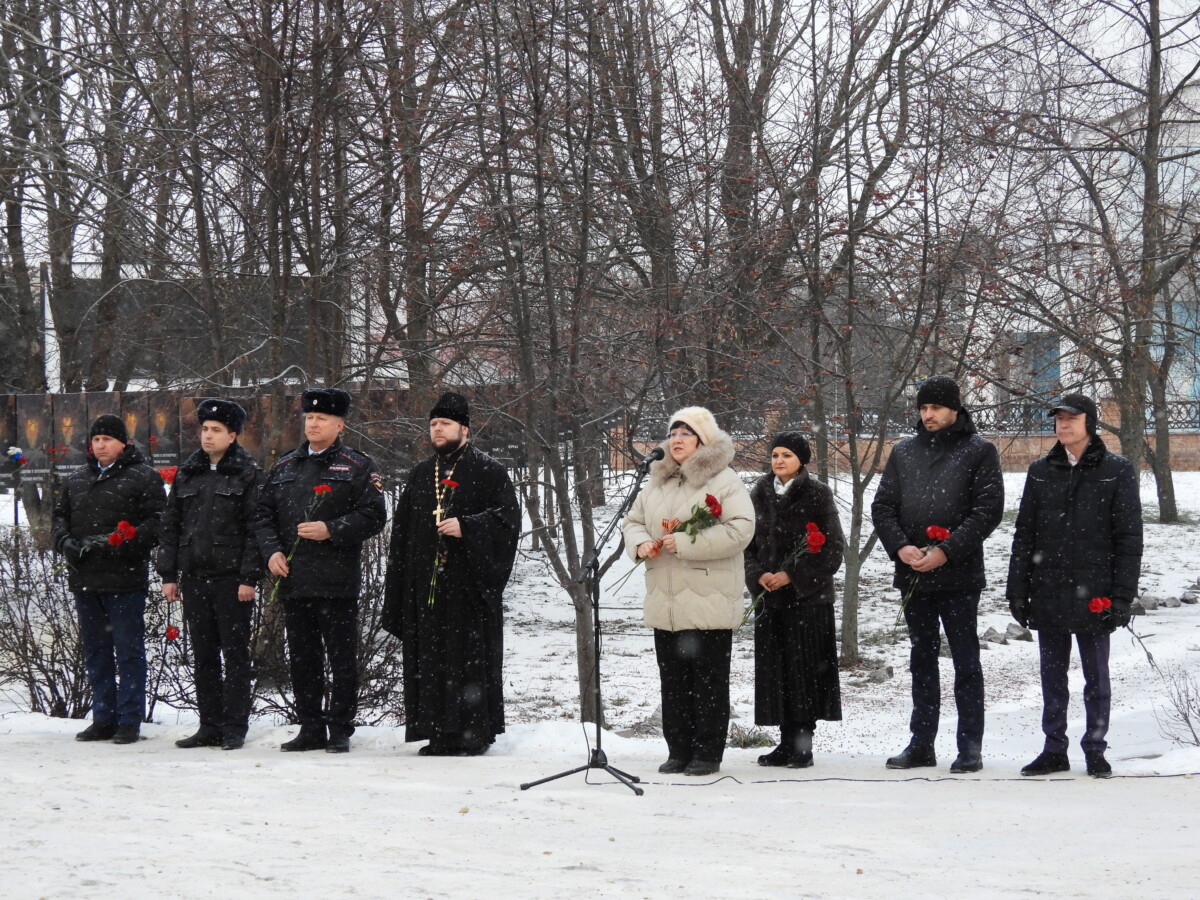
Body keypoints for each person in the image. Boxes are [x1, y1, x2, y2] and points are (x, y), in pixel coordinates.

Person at [871, 376, 1003, 773]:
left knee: (966, 661)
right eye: (923, 408)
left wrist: (946, 551)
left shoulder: (979, 451)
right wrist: (900, 547)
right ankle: (921, 742)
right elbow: (883, 506)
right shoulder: (905, 451)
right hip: (913, 573)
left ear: (954, 409)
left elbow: (987, 511)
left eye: (935, 408)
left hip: (959, 574)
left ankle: (969, 746)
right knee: (921, 660)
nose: (927, 415)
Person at [1007, 394, 1143, 778]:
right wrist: (1018, 589)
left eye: (1071, 418)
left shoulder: (1116, 470)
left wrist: (1121, 596)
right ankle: (1054, 748)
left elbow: (1128, 538)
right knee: (1052, 676)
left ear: (1089, 422)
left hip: (1095, 589)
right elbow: (1025, 535)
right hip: (1049, 588)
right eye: (1059, 419)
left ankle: (1095, 748)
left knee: (1096, 676)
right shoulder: (1041, 471)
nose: (1063, 425)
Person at [382, 392, 520, 756]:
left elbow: (507, 523)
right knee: (430, 660)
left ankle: (473, 733)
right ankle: (439, 732)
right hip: (426, 591)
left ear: (465, 429)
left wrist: (469, 528)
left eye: (445, 424)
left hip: (468, 590)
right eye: (432, 424)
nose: (437, 430)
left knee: (467, 659)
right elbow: (401, 535)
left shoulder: (489, 471)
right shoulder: (419, 474)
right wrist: (398, 587)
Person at [621, 407, 754, 777]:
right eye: (673, 433)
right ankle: (678, 749)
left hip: (708, 597)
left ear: (703, 441)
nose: (677, 440)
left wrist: (685, 542)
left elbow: (741, 529)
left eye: (686, 433)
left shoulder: (723, 481)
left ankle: (707, 752)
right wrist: (641, 543)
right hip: (666, 598)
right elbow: (632, 521)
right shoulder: (656, 482)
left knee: (708, 679)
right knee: (673, 679)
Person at [254, 388, 386, 753]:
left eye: (322, 418)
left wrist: (332, 529)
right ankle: (310, 726)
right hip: (294, 580)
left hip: (336, 580)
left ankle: (340, 727)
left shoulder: (358, 466)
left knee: (341, 658)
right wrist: (271, 552)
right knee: (303, 659)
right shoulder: (284, 466)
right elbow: (263, 515)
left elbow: (374, 515)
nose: (313, 423)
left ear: (339, 424)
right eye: (309, 418)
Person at [52, 414, 167, 744]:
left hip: (124, 579)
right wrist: (65, 543)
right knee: (96, 652)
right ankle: (103, 717)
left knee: (128, 652)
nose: (100, 445)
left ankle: (129, 720)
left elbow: (157, 522)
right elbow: (60, 517)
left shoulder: (143, 477)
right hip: (86, 579)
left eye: (107, 440)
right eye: (96, 440)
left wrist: (123, 543)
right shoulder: (76, 479)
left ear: (122, 443)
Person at [158, 399, 265, 751]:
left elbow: (256, 529)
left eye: (216, 430)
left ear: (232, 435)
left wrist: (249, 577)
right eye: (204, 428)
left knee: (234, 655)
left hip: (231, 579)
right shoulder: (189, 473)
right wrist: (168, 573)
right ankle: (209, 724)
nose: (208, 435)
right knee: (203, 654)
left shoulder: (247, 474)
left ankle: (234, 726)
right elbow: (171, 525)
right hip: (195, 577)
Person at [745, 432, 845, 768]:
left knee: (804, 673)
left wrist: (793, 575)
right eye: (774, 455)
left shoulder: (817, 494)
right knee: (779, 672)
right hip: (770, 598)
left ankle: (803, 744)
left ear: (801, 460)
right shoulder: (758, 493)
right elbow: (747, 545)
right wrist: (758, 574)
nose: (779, 461)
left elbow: (831, 549)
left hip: (807, 599)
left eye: (786, 455)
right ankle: (785, 743)